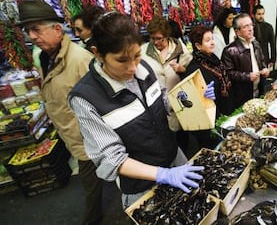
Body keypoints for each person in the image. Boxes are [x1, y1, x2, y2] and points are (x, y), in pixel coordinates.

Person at [68, 12, 204, 209]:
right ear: (98, 53)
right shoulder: (85, 98)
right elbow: (112, 159)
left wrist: (192, 95)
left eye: (137, 56)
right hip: (142, 184)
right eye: (122, 60)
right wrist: (162, 174)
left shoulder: (145, 68)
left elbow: (163, 101)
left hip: (174, 158)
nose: (132, 67)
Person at [17, 0, 102, 224]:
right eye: (28, 31)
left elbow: (101, 100)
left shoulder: (80, 59)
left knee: (91, 183)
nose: (32, 36)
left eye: (36, 29)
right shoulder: (44, 57)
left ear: (57, 29)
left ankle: (94, 219)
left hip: (87, 138)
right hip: (71, 135)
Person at [140, 16, 193, 153]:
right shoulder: (143, 51)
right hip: (155, 105)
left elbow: (192, 76)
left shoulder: (181, 51)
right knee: (162, 141)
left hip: (179, 104)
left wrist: (183, 70)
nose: (156, 42)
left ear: (167, 36)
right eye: (153, 38)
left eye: (160, 38)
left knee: (182, 139)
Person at [183, 25, 232, 150]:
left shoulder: (213, 60)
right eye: (207, 40)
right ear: (198, 46)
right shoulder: (194, 69)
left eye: (212, 39)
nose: (212, 43)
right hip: (207, 123)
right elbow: (189, 101)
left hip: (221, 112)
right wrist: (202, 96)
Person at [221, 13, 270, 111]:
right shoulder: (229, 50)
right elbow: (228, 73)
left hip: (258, 90)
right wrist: (247, 76)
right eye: (245, 26)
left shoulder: (255, 43)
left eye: (251, 25)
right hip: (241, 96)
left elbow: (262, 60)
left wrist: (265, 68)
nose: (250, 28)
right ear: (237, 32)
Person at [253, 4, 276, 69]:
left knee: (264, 77)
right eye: (259, 14)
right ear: (254, 15)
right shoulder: (250, 27)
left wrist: (273, 59)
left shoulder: (268, 27)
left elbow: (272, 44)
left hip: (264, 57)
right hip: (252, 58)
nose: (261, 16)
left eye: (262, 14)